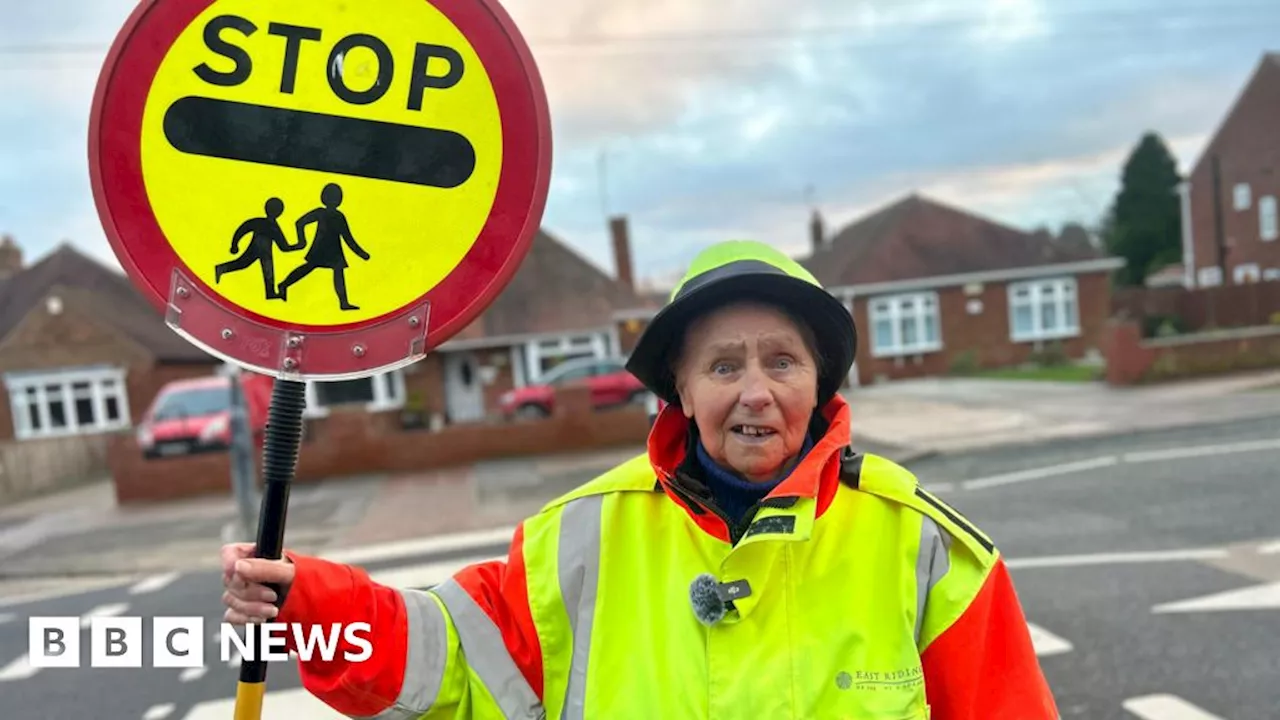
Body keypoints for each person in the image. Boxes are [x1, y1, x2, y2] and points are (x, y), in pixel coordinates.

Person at [221, 240, 1059, 719]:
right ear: (681, 393)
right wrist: (307, 600)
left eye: (782, 361)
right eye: (723, 365)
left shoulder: (925, 547)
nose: (756, 391)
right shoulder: (580, 537)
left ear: (820, 383)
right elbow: (449, 658)